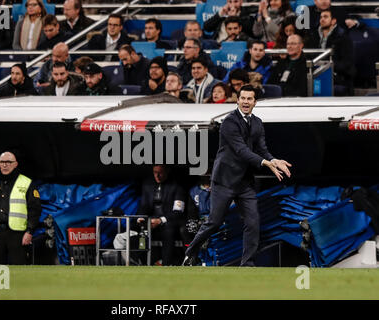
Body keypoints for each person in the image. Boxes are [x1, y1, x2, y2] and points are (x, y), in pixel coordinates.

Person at [183, 85, 292, 267]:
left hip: (244, 183)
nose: (246, 102)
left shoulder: (257, 122)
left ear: (255, 102)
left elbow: (261, 149)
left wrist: (274, 159)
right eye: (243, 98)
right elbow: (241, 151)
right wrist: (266, 164)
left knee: (253, 222)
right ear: (238, 100)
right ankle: (190, 252)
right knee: (214, 223)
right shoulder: (229, 122)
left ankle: (247, 264)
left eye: (250, 99)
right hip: (224, 181)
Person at [0, 151, 41, 265]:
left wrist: (30, 231)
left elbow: (35, 209)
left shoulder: (25, 182)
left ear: (16, 164)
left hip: (16, 233)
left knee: (18, 266)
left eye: (9, 162)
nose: (5, 165)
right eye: (2, 162)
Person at [137, 165, 187, 266]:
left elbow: (178, 211)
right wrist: (141, 217)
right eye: (155, 172)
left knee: (168, 230)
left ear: (167, 172)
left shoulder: (177, 186)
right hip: (151, 221)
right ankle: (143, 262)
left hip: (169, 221)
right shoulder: (148, 184)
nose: (157, 176)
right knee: (141, 230)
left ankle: (166, 264)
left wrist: (160, 220)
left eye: (160, 173)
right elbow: (144, 205)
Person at [307, 8, 355, 96]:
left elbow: (347, 63)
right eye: (321, 17)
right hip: (316, 73)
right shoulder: (313, 36)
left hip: (338, 76)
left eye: (325, 17)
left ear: (333, 21)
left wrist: (329, 67)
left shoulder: (343, 38)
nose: (322, 19)